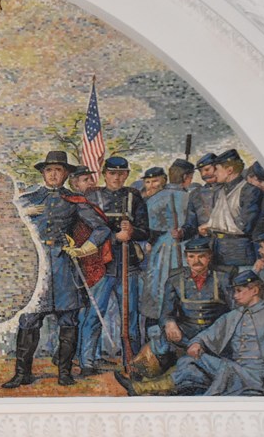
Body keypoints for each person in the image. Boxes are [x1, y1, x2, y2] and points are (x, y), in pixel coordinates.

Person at [115, 270, 264, 397]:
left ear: (255, 290)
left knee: (222, 369)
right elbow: (209, 334)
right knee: (189, 363)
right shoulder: (234, 315)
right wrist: (198, 343)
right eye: (234, 291)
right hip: (235, 369)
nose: (234, 296)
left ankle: (145, 389)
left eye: (239, 291)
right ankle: (144, 388)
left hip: (262, 376)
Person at [0, 151, 110, 388]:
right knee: (29, 319)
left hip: (63, 266)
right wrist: (22, 214)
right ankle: (22, 374)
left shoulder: (74, 201)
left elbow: (101, 229)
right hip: (34, 267)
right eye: (49, 170)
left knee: (68, 319)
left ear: (65, 174)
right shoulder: (26, 200)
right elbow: (3, 222)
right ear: (42, 174)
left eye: (58, 170)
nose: (53, 175)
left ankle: (65, 372)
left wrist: (84, 249)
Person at [79, 157, 149, 374]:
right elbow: (85, 233)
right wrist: (116, 237)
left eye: (121, 174)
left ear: (127, 175)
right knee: (94, 315)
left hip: (128, 265)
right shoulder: (91, 197)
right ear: (104, 174)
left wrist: (132, 232)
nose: (116, 178)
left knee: (131, 317)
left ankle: (132, 361)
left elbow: (145, 231)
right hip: (101, 265)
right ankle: (87, 362)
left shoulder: (133, 197)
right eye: (112, 173)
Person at [131, 237, 232, 378]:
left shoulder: (222, 278)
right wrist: (170, 323)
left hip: (214, 333)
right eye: (191, 257)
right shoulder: (175, 280)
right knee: (158, 336)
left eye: (201, 256)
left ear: (209, 257)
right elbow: (166, 313)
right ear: (186, 258)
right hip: (186, 333)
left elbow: (234, 313)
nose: (196, 261)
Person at [138, 166, 188, 368]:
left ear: (164, 180)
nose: (151, 186)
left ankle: (162, 351)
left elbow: (151, 228)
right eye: (148, 182)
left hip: (167, 250)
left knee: (160, 293)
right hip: (175, 247)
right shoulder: (182, 194)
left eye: (155, 181)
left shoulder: (160, 199)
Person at [198, 149, 263, 269]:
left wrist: (212, 225)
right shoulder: (220, 191)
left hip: (239, 252)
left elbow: (245, 226)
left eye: (217, 169)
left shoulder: (250, 191)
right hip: (218, 250)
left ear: (229, 170)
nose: (215, 173)